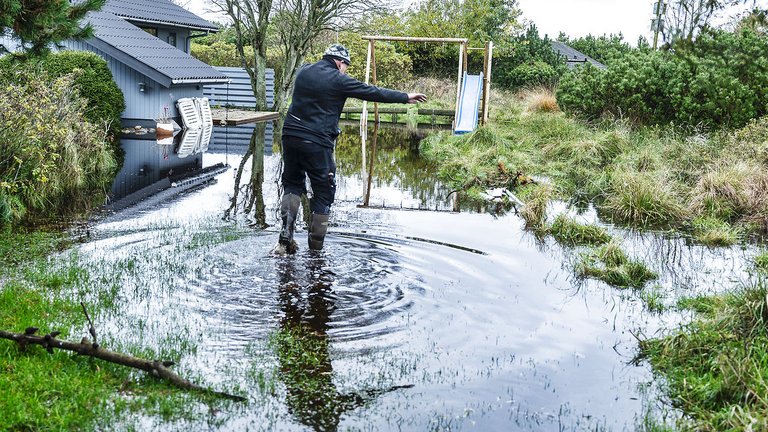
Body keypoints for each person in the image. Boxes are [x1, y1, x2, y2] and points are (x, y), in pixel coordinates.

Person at [275, 44, 427, 254]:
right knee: (323, 193)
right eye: (345, 65)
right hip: (317, 142)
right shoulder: (338, 79)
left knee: (292, 183)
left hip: (290, 135)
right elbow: (371, 92)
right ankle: (316, 252)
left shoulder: (303, 70)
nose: (345, 69)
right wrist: (404, 97)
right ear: (339, 62)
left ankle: (286, 233)